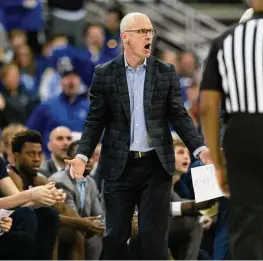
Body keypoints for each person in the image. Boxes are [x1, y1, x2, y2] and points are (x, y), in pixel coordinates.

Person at [66, 12, 211, 260]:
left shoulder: (165, 71)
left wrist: (199, 148)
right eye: (142, 31)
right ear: (125, 37)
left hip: (156, 165)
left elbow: (179, 115)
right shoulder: (105, 73)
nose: (148, 36)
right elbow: (94, 121)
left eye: (151, 31)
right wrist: (82, 155)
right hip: (118, 166)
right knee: (114, 237)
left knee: (153, 239)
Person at [199, 0, 263, 259]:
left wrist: (217, 162)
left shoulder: (225, 41)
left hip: (241, 138)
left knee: (244, 225)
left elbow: (207, 107)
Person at [50, 140, 104, 260]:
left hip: (83, 226)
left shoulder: (90, 181)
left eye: (90, 156)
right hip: (63, 229)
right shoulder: (61, 181)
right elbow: (73, 216)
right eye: (83, 157)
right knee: (91, 238)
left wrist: (100, 224)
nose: (88, 160)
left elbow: (99, 214)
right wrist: (92, 225)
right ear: (69, 159)